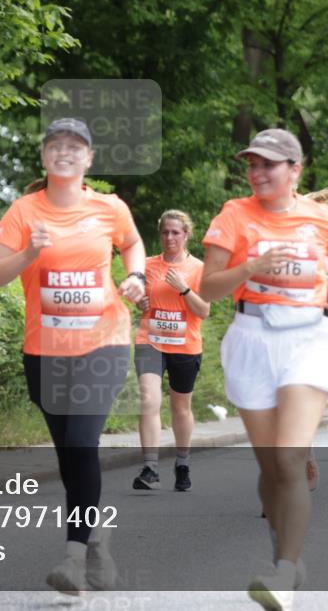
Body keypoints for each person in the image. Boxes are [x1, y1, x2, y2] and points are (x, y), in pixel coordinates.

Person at [200, 128, 328, 611]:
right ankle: (282, 548)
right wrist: (251, 267)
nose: (258, 172)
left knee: (290, 460)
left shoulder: (320, 217)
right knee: (269, 467)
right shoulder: (234, 215)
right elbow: (207, 288)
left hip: (309, 338)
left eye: (269, 164)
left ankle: (284, 574)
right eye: (252, 163)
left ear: (295, 170)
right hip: (252, 339)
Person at [0, 118, 146, 595]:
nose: (65, 152)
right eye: (56, 145)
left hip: (105, 342)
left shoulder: (109, 208)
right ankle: (97, 537)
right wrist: (28, 254)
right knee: (71, 455)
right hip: (44, 350)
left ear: (89, 159)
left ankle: (74, 559)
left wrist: (135, 276)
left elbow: (133, 243)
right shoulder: (23, 211)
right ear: (44, 156)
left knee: (80, 442)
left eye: (75, 147)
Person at [132, 210, 210, 492]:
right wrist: (139, 302)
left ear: (186, 235)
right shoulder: (147, 265)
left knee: (181, 407)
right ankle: (150, 468)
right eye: (165, 232)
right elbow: (138, 296)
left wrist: (186, 290)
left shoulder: (199, 268)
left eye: (176, 232)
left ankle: (182, 462)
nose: (170, 237)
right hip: (150, 341)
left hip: (185, 345)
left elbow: (205, 310)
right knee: (149, 401)